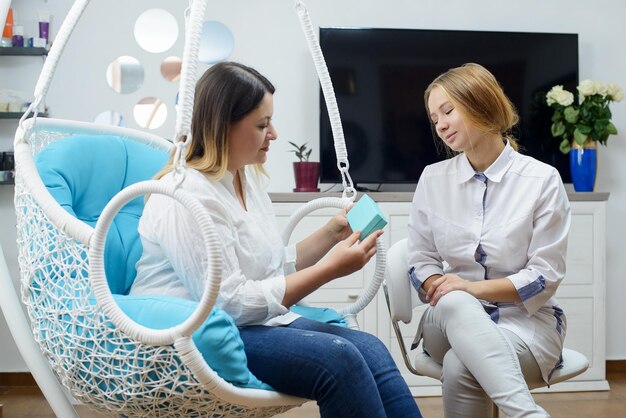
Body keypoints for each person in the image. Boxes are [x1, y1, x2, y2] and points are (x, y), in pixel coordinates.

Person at [130, 61, 421, 418]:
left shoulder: (245, 179)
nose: (275, 134)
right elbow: (229, 304)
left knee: (371, 348)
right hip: (197, 334)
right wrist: (329, 271)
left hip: (252, 322)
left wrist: (331, 234)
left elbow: (268, 265)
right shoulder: (183, 195)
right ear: (223, 126)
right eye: (262, 124)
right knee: (340, 360)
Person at [407, 63, 571, 418]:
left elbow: (544, 276)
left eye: (448, 111)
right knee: (453, 303)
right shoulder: (432, 180)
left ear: (482, 104)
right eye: (435, 118)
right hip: (445, 321)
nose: (441, 125)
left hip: (526, 325)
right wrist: (453, 290)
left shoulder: (541, 180)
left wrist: (471, 289)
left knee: (460, 366)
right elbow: (420, 261)